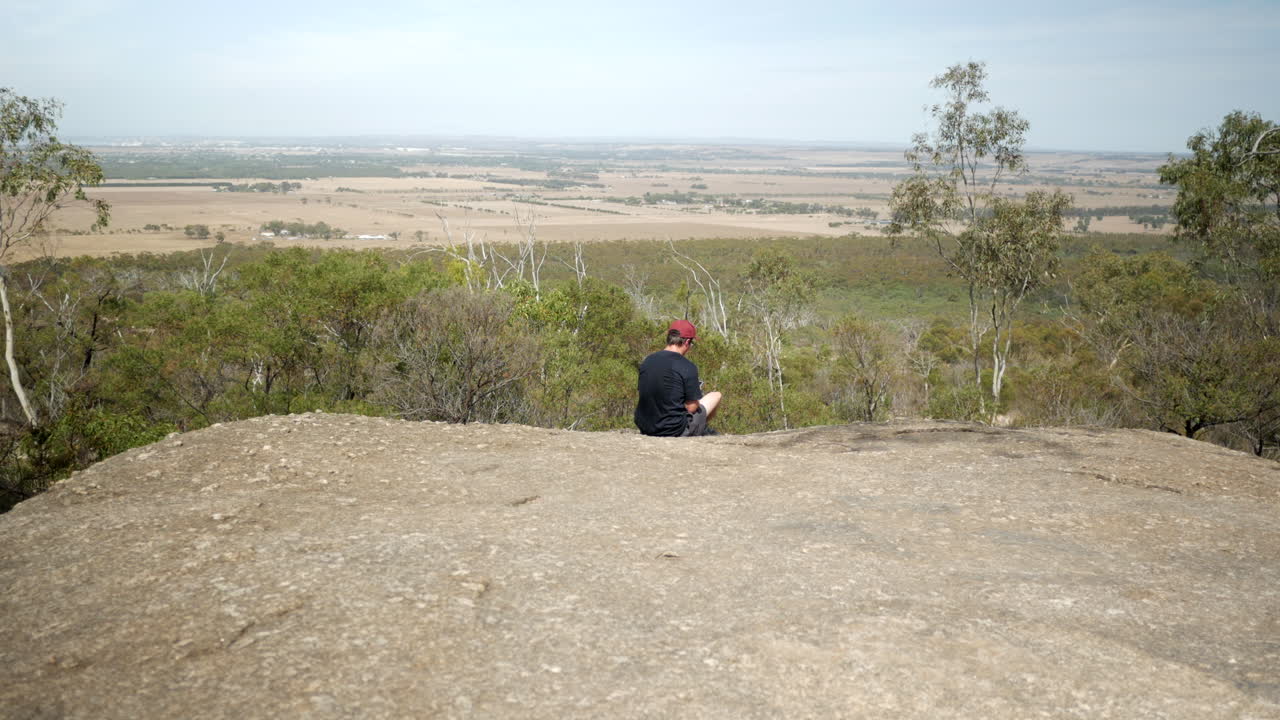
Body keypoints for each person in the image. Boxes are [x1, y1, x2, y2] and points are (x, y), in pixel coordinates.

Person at [634, 320, 722, 437]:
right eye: (691, 344)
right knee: (716, 395)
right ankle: (700, 428)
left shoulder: (647, 361)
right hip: (673, 429)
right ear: (687, 342)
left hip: (646, 426)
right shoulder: (687, 366)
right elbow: (691, 408)